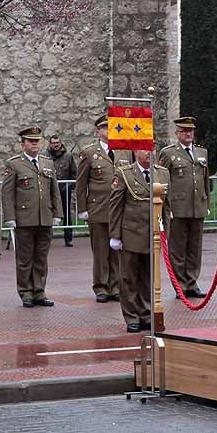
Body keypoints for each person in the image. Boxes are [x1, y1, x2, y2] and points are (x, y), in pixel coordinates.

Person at [2, 127, 64, 308]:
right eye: (31, 141)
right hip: (24, 218)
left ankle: (39, 291)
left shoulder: (47, 163)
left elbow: (54, 190)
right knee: (24, 258)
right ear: (23, 144)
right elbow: (7, 193)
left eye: (37, 141)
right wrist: (10, 217)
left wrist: (57, 213)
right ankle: (26, 291)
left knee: (41, 258)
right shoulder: (14, 164)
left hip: (44, 217)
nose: (35, 144)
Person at [109, 148, 170, 332]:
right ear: (136, 152)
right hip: (131, 234)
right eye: (144, 149)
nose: (149, 153)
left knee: (147, 277)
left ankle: (146, 312)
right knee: (128, 278)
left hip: (152, 235)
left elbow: (166, 206)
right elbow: (116, 206)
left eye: (152, 148)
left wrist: (167, 232)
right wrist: (115, 235)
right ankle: (132, 316)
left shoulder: (162, 173)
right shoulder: (124, 173)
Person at [76, 115, 133, 303]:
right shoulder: (89, 152)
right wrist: (82, 209)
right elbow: (81, 183)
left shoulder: (124, 151)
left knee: (117, 249)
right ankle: (101, 286)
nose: (109, 131)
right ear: (97, 132)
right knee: (101, 251)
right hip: (98, 208)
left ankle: (115, 286)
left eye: (112, 127)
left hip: (119, 210)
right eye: (104, 128)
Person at [157, 117, 209, 298]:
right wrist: (165, 207)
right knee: (178, 249)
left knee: (195, 248)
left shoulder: (202, 152)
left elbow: (205, 179)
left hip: (197, 207)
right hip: (178, 208)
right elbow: (163, 178)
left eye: (191, 131)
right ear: (177, 133)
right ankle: (180, 285)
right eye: (184, 131)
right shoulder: (169, 153)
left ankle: (192, 282)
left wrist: (206, 202)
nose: (188, 134)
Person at [47, 134, 76, 246]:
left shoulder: (68, 156)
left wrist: (70, 186)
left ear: (61, 143)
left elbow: (74, 172)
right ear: (50, 144)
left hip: (64, 189)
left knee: (66, 214)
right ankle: (47, 237)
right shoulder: (45, 156)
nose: (56, 145)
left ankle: (68, 238)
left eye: (57, 143)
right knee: (47, 213)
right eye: (53, 143)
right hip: (49, 190)